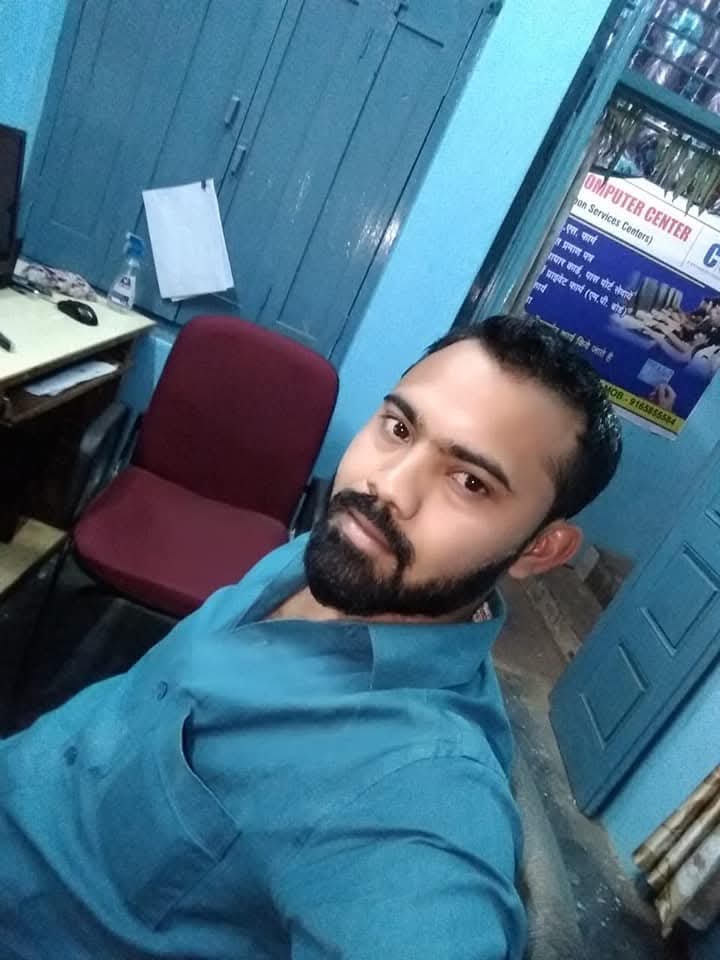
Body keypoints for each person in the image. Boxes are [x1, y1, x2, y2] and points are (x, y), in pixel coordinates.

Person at [0, 315, 622, 960]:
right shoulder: (332, 554)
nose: (388, 487)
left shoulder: (417, 800)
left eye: (470, 482)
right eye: (399, 428)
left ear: (540, 549)